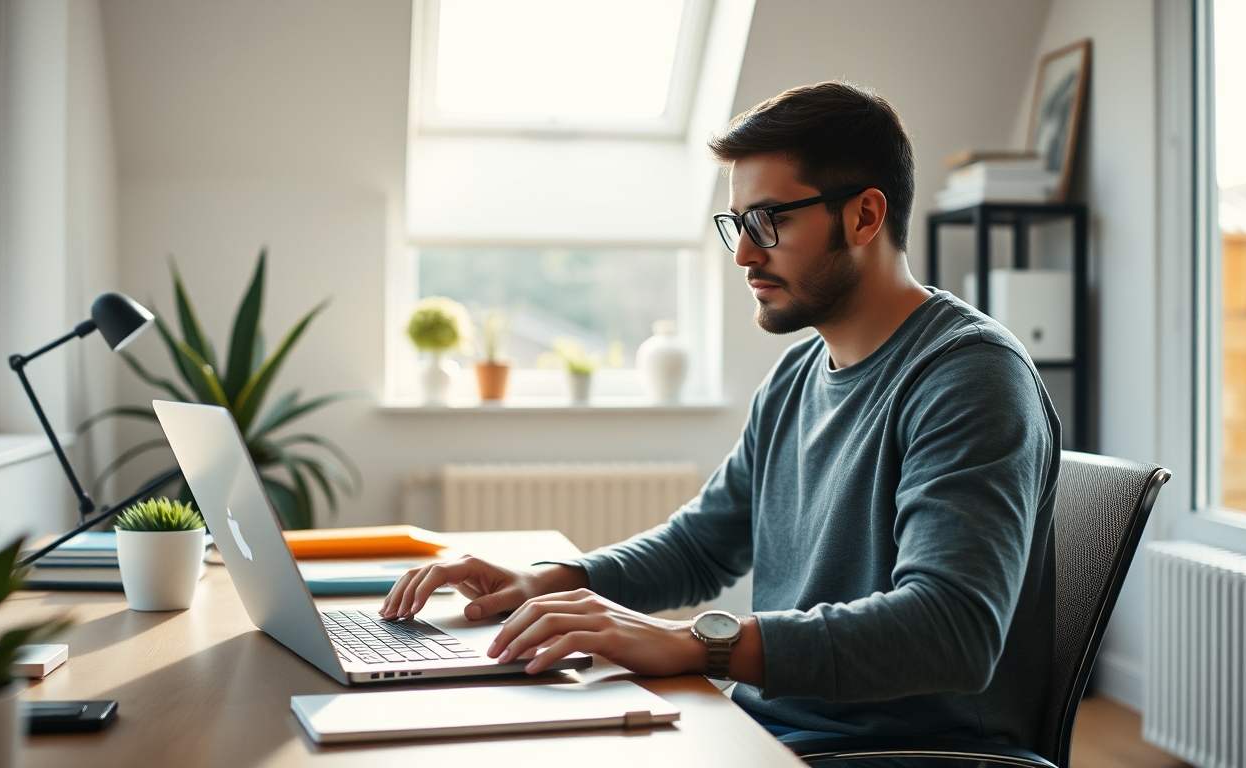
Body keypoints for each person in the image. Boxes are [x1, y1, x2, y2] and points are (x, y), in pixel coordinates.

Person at [381, 81, 1061, 752]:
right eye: (738, 224)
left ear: (863, 216)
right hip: (769, 732)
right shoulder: (796, 376)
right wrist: (548, 580)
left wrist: (694, 642)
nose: (744, 253)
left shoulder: (970, 376)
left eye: (769, 221)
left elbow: (953, 631)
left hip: (893, 753)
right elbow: (700, 547)